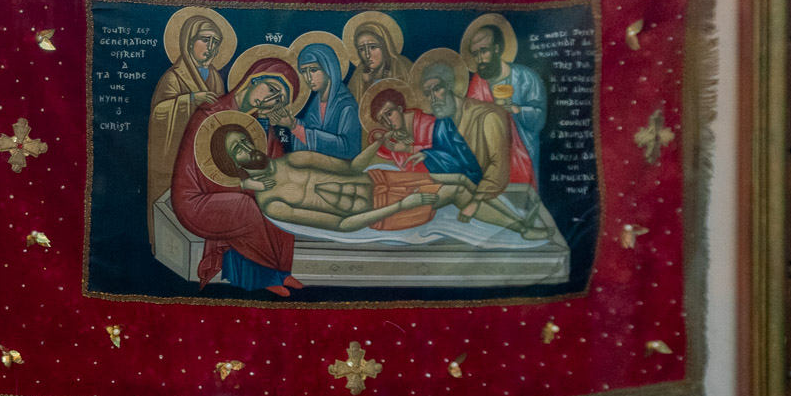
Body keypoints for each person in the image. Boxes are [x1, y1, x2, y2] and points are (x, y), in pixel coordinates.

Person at [201, 122, 547, 238]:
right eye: (238, 150)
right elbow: (344, 224)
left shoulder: (295, 159)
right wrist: (403, 205)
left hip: (379, 181)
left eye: (245, 140)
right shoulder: (272, 203)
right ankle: (521, 227)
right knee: (457, 190)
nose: (248, 148)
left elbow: (352, 168)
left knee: (458, 179)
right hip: (381, 207)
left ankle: (514, 218)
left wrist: (380, 142)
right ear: (233, 165)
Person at [169, 60, 304, 297]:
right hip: (198, 199)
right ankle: (264, 276)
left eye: (279, 100)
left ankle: (281, 272)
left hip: (235, 190)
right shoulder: (209, 114)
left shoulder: (259, 122)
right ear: (254, 79)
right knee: (246, 208)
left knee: (278, 202)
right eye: (272, 89)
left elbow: (273, 160)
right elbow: (204, 174)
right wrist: (244, 184)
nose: (271, 100)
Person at [147, 13, 233, 252]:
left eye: (215, 42)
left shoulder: (214, 77)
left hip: (203, 156)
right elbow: (159, 114)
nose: (211, 47)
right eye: (205, 39)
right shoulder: (173, 77)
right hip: (175, 156)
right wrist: (191, 100)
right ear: (188, 41)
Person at [418, 61, 531, 224]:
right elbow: (448, 161)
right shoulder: (443, 123)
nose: (433, 98)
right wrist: (428, 156)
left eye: (437, 89)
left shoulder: (487, 116)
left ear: (449, 86)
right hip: (460, 195)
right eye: (428, 94)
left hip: (489, 195)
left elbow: (498, 165)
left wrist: (475, 202)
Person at [465, 23, 546, 181]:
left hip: (523, 157)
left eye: (484, 51)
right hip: (490, 162)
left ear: (496, 48)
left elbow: (540, 119)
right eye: (475, 54)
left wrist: (517, 109)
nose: (480, 59)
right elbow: (470, 122)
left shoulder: (525, 77)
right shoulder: (477, 84)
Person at [367, 86, 481, 187]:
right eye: (382, 121)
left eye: (389, 114)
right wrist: (378, 135)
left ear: (400, 109)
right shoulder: (396, 138)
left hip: (457, 181)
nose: (388, 122)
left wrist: (409, 149)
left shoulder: (435, 125)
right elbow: (377, 142)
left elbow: (452, 157)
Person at [271, 43, 361, 159]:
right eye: (304, 71)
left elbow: (349, 148)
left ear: (328, 68)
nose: (308, 78)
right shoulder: (316, 103)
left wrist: (294, 127)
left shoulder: (346, 105)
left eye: (313, 70)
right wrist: (293, 122)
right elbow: (310, 129)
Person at [344, 13, 413, 103]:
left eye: (372, 47)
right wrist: (366, 84)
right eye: (362, 49)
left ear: (385, 46)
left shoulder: (403, 67)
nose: (367, 55)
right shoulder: (359, 76)